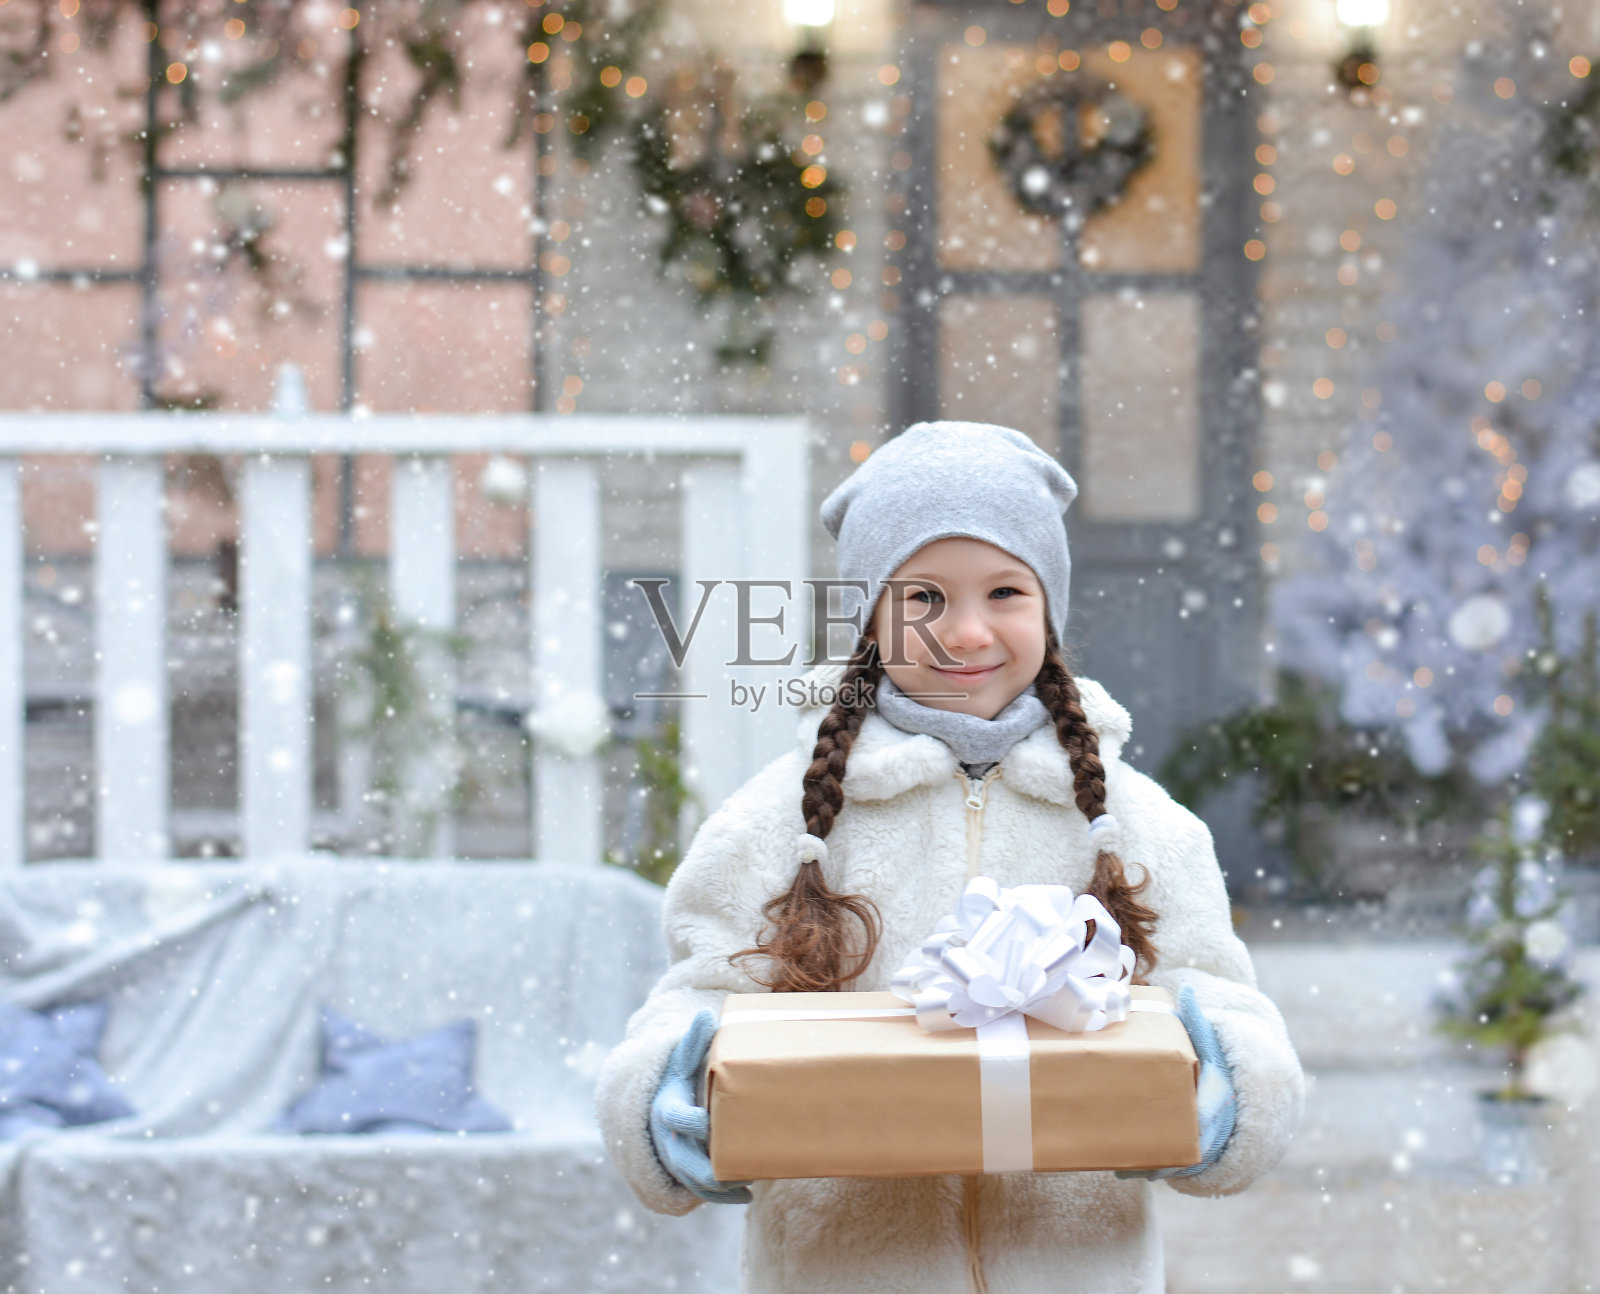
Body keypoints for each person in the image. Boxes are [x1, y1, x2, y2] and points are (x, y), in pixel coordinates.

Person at [595, 421, 1305, 1293]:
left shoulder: (1136, 821)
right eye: (924, 598)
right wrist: (665, 1100)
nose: (967, 632)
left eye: (1005, 591)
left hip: (1075, 1271)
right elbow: (693, 1003)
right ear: (870, 619)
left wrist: (1232, 1083)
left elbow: (1219, 995)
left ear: (1049, 608)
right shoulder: (773, 824)